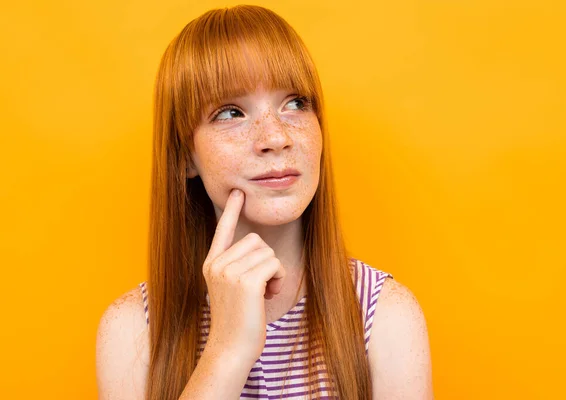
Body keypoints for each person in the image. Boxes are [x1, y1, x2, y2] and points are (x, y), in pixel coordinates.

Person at [95, 4, 433, 400]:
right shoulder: (132, 328)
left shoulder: (384, 315)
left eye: (295, 103)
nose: (275, 137)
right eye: (230, 112)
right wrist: (227, 350)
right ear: (186, 156)